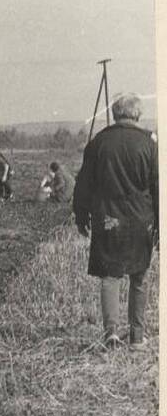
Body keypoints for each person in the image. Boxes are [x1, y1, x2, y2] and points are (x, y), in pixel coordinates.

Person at [73, 93, 158, 347]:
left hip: (108, 219)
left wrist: (81, 214)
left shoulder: (99, 142)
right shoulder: (149, 144)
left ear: (115, 113)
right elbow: (157, 187)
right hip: (141, 220)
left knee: (110, 276)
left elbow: (83, 183)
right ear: (137, 114)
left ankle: (111, 332)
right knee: (139, 276)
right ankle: (137, 337)